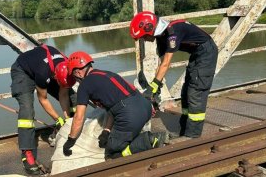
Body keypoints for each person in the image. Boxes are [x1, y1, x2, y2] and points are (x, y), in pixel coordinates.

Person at [129, 11, 218, 140]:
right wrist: (155, 87)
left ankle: (193, 135)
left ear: (150, 28)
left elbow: (166, 64)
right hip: (196, 54)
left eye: (144, 36)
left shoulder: (172, 34)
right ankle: (185, 129)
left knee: (196, 92)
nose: (144, 40)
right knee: (185, 92)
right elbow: (160, 64)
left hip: (206, 53)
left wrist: (152, 88)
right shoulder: (161, 37)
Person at [61, 51, 167, 159]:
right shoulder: (106, 74)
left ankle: (148, 140)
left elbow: (79, 117)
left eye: (74, 76)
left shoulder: (84, 85)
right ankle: (141, 139)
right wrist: (106, 131)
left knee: (111, 153)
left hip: (130, 114)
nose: (76, 80)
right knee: (118, 138)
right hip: (145, 105)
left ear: (78, 72)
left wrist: (70, 140)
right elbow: (113, 107)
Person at [10, 44, 76, 175]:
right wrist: (58, 119)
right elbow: (43, 99)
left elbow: (63, 94)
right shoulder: (42, 73)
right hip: (22, 71)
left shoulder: (67, 65)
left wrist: (67, 119)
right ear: (55, 77)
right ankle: (27, 152)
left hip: (48, 68)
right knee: (27, 110)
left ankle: (74, 129)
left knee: (73, 97)